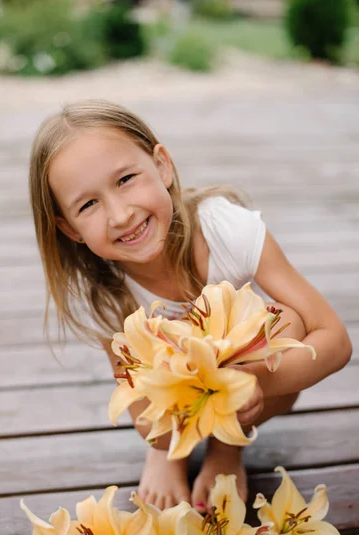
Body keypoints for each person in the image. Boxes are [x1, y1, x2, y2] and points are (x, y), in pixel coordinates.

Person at [29, 99, 352, 513]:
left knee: (286, 320)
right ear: (70, 228)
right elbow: (153, 426)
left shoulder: (224, 229)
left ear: (161, 165)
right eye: (88, 205)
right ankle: (175, 460)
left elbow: (336, 341)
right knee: (162, 441)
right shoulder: (107, 292)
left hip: (246, 386)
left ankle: (226, 447)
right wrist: (167, 446)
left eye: (126, 179)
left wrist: (253, 383)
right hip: (178, 409)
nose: (121, 214)